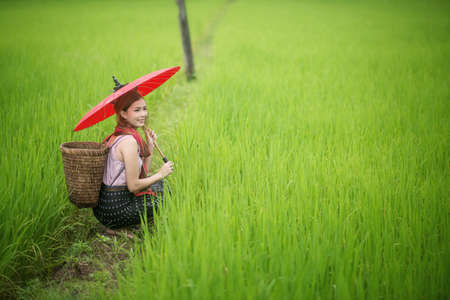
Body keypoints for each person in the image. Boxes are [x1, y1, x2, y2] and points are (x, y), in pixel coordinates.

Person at [93, 88, 174, 237]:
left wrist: (149, 146)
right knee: (162, 198)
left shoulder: (118, 135)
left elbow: (140, 176)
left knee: (159, 186)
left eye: (144, 109)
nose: (143, 114)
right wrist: (160, 174)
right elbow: (134, 186)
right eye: (137, 110)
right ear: (123, 113)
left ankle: (118, 225)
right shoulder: (129, 142)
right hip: (116, 209)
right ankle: (118, 228)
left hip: (103, 207)